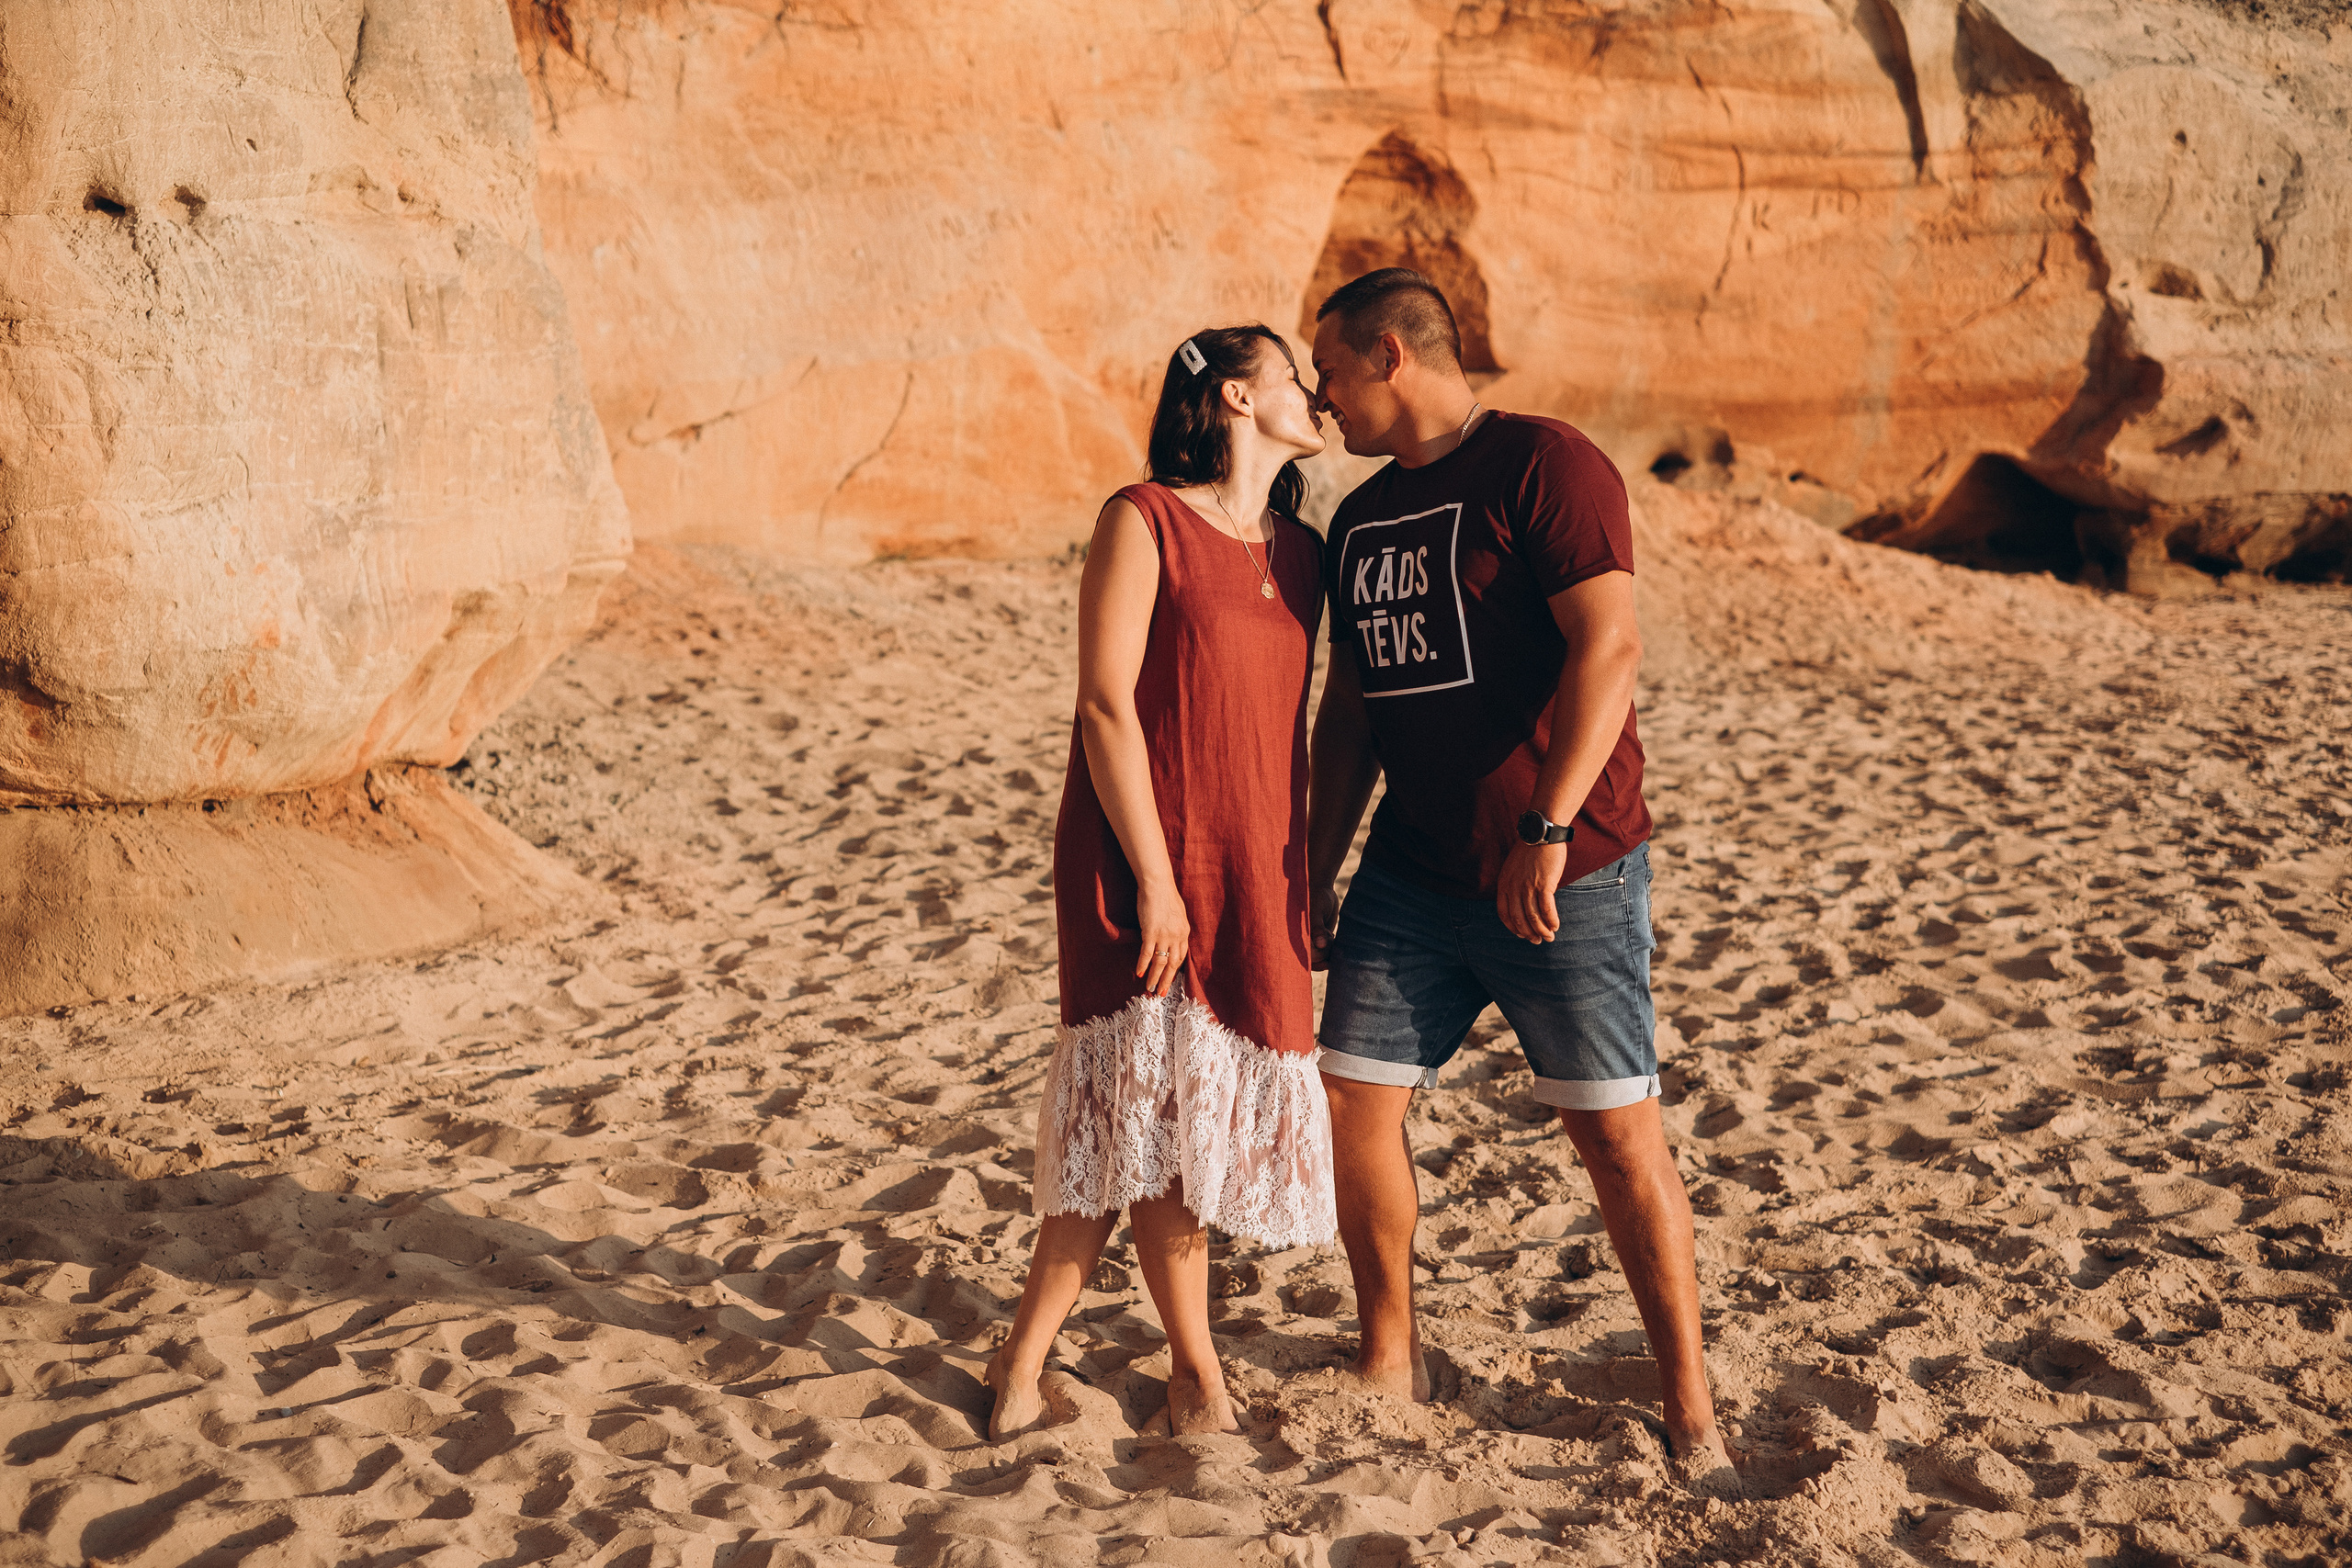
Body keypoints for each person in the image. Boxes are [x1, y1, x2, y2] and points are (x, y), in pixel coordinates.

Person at [1303, 267, 1736, 1481]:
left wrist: (1546, 828)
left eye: (1329, 368)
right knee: (1353, 1099)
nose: (1320, 396)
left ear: (1390, 353)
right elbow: (1351, 711)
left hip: (1571, 870)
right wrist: (1321, 861)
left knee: (1615, 1139)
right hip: (1413, 870)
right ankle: (1390, 1353)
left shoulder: (1546, 464)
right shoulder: (1361, 517)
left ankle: (1691, 1407)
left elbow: (1613, 642)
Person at [987, 324, 1337, 1441]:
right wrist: (1155, 878)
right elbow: (1102, 706)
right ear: (1239, 396)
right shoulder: (1141, 519)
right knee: (1143, 1115)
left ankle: (1027, 1362)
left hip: (1255, 856)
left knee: (1162, 1124)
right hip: (1146, 854)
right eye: (1293, 376)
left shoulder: (1307, 550)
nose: (1314, 394)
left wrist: (1310, 863)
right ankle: (1194, 1374)